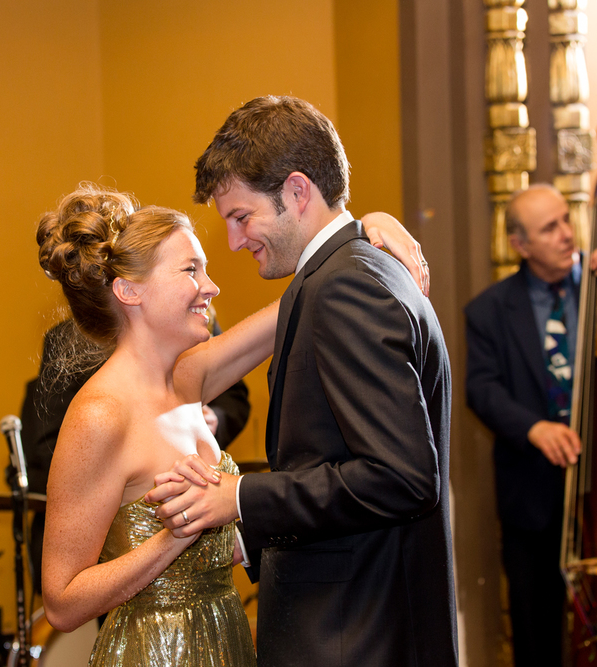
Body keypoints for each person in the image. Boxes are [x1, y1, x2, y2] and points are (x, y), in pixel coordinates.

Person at [36, 182, 425, 666]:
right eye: (191, 269)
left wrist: (362, 230)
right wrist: (175, 537)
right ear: (129, 290)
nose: (212, 287)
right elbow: (62, 601)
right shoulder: (99, 414)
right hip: (156, 654)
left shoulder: (188, 376)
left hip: (227, 640)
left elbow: (302, 299)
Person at [146, 95, 457, 667]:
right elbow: (339, 463)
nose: (236, 242)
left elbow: (401, 476)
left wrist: (238, 497)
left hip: (354, 636)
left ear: (297, 191)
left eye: (241, 218)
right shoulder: (353, 269)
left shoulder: (344, 286)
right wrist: (254, 537)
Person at [463, 183, 597, 666]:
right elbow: (482, 389)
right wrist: (532, 428)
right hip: (533, 495)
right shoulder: (489, 311)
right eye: (549, 228)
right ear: (520, 245)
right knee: (536, 631)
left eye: (566, 219)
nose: (567, 234)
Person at [13, 311, 251, 595]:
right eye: (189, 269)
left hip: (200, 516)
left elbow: (234, 396)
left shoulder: (197, 319)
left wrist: (213, 420)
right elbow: (46, 442)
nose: (208, 288)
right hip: (114, 536)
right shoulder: (70, 341)